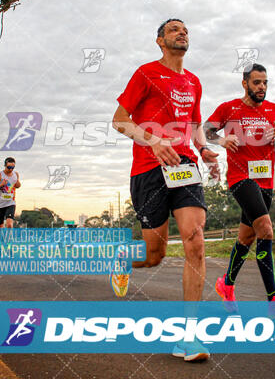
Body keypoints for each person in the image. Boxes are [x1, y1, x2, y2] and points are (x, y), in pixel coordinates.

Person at [112, 18, 219, 361]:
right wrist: (154, 141)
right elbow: (119, 120)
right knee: (153, 255)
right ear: (159, 40)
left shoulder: (193, 82)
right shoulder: (145, 74)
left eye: (185, 29)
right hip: (148, 169)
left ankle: (188, 337)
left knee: (195, 240)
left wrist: (203, 150)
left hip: (185, 166)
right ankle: (123, 259)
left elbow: (195, 125)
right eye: (173, 29)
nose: (181, 32)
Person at [204, 63, 275, 314]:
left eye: (265, 82)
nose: (262, 87)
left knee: (247, 237)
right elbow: (206, 130)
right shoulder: (229, 108)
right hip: (241, 178)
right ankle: (273, 299)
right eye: (256, 82)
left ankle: (226, 284)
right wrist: (222, 140)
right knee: (265, 229)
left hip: (266, 181)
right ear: (245, 83)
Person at [0, 157, 21, 228]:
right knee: (0, 226)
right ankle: (1, 239)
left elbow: (18, 185)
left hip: (10, 203)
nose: (11, 169)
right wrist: (1, 185)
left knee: (9, 224)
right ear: (5, 166)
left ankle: (9, 239)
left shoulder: (15, 174)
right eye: (9, 167)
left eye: (12, 167)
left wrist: (18, 183)